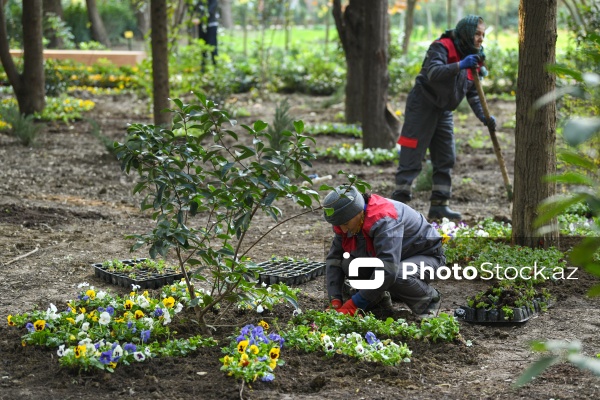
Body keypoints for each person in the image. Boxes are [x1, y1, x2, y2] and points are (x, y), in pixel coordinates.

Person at [392, 15, 496, 220]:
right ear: (466, 31)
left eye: (483, 34)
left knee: (446, 156)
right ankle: (399, 203)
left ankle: (439, 205)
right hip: (423, 104)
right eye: (477, 33)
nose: (481, 38)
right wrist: (459, 65)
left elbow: (474, 93)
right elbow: (433, 73)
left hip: (445, 109)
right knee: (412, 151)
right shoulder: (442, 46)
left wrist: (485, 116)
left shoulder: (475, 57)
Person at [322, 185, 445, 318]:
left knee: (398, 274)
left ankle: (429, 302)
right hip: (396, 257)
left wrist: (356, 303)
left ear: (358, 212)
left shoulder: (384, 219)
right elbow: (335, 260)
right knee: (349, 263)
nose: (343, 230)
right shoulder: (347, 221)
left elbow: (389, 268)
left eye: (345, 224)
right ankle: (379, 304)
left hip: (426, 256)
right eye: (339, 225)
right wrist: (335, 299)